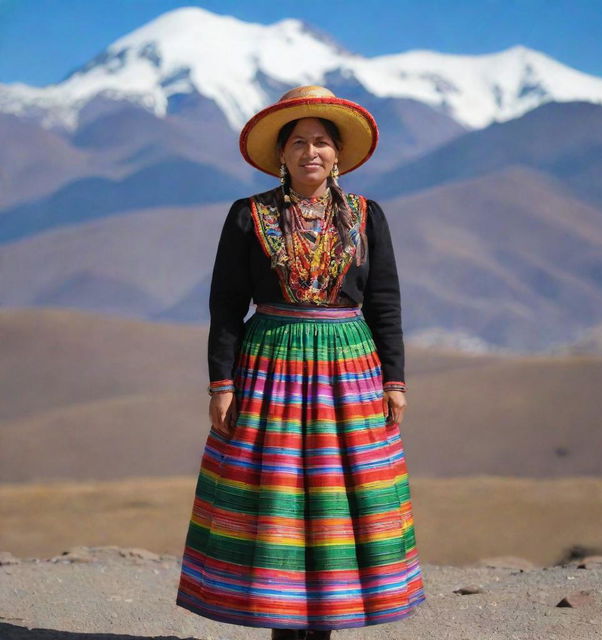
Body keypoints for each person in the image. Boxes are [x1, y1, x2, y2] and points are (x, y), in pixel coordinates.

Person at [176, 85, 426, 639]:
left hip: (350, 368)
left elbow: (384, 300)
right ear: (281, 155)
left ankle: (329, 622)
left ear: (338, 155)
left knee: (342, 489)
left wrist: (395, 379)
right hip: (270, 366)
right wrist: (222, 382)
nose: (310, 152)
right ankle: (281, 622)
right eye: (298, 143)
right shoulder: (248, 215)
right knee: (279, 491)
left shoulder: (367, 216)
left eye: (321, 142)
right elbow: (224, 304)